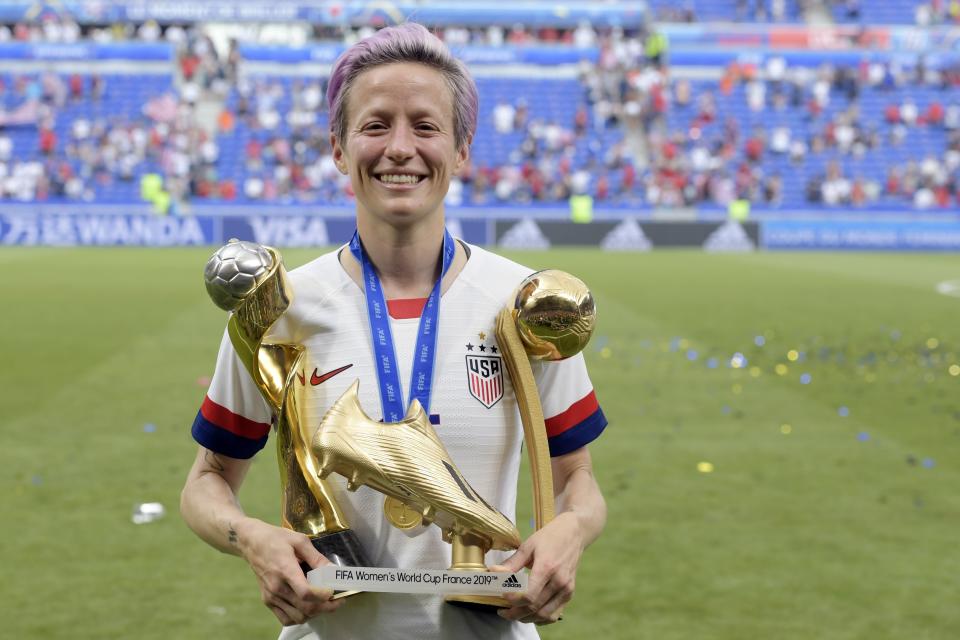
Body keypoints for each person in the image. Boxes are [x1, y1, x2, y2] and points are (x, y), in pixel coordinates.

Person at [180, 22, 607, 640]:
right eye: (376, 125)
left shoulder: (525, 305)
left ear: (461, 150)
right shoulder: (277, 309)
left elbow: (579, 479)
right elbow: (206, 480)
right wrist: (251, 538)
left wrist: (573, 531)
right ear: (338, 148)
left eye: (425, 126)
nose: (400, 148)